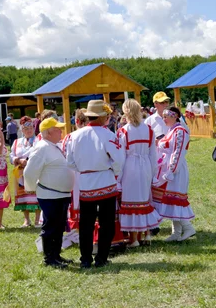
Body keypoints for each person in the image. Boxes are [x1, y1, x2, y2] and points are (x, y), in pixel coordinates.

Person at [66, 100, 125, 269]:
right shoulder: (108, 135)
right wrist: (111, 171)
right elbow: (119, 159)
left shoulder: (75, 136)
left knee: (86, 223)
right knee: (107, 222)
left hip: (85, 184)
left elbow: (69, 162)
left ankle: (85, 259)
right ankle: (101, 257)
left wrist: (84, 169)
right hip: (106, 181)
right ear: (102, 117)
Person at [25, 118, 75, 269]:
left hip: (60, 194)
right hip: (50, 194)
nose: (61, 131)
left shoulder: (52, 146)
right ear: (48, 133)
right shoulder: (42, 148)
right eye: (57, 129)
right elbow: (29, 171)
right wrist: (31, 187)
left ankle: (56, 255)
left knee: (59, 226)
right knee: (51, 226)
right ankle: (49, 258)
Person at [117, 99, 162, 247]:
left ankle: (134, 238)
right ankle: (146, 234)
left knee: (131, 201)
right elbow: (153, 154)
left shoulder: (123, 131)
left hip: (130, 166)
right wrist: (153, 173)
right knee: (144, 199)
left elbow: (121, 157)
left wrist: (118, 178)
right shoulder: (149, 129)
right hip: (146, 166)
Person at [152, 107, 196, 242]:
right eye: (163, 116)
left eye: (167, 116)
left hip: (176, 171)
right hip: (166, 169)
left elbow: (178, 153)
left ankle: (187, 227)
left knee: (175, 198)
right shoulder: (171, 131)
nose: (164, 119)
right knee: (170, 199)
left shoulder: (180, 131)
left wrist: (171, 170)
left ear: (175, 116)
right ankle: (176, 232)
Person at [10, 116, 41, 228]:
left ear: (34, 128)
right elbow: (11, 156)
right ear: (22, 130)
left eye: (31, 128)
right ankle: (26, 220)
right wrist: (18, 160)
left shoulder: (39, 141)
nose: (29, 131)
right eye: (26, 129)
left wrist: (29, 162)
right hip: (20, 173)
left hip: (35, 172)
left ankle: (38, 220)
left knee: (37, 194)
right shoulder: (17, 142)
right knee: (23, 195)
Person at [60, 109, 88, 234]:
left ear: (77, 121)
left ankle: (76, 230)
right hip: (92, 173)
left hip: (74, 173)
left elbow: (64, 155)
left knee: (75, 199)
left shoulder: (70, 137)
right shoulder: (95, 135)